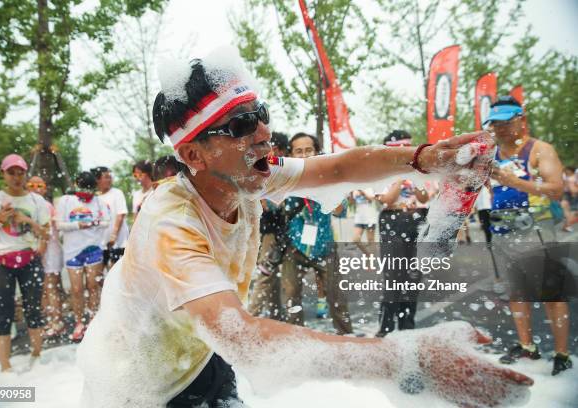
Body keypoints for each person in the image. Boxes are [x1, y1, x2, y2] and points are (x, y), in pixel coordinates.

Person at [77, 51, 532, 407]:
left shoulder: (245, 173)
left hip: (201, 356)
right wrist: (406, 360)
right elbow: (244, 337)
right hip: (143, 392)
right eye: (239, 125)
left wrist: (423, 159)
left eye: (260, 114)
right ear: (194, 157)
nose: (261, 134)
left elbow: (334, 169)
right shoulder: (170, 224)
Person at [485, 96, 572, 376]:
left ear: (521, 120)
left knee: (551, 294)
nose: (499, 129)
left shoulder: (539, 150)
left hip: (538, 229)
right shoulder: (492, 153)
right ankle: (527, 347)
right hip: (504, 229)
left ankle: (562, 354)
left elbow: (556, 189)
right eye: (495, 124)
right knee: (517, 291)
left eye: (505, 123)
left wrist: (516, 182)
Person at [0, 154, 50, 371]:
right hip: (0, 261)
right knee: (3, 312)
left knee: (33, 310)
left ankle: (37, 358)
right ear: (3, 174)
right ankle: (5, 369)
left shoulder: (37, 201)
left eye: (21, 172)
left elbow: (47, 234)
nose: (17, 177)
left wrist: (27, 221)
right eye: (11, 172)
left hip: (29, 259)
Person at [282, 132, 352, 331]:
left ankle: (347, 339)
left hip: (324, 246)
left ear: (316, 152)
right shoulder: (284, 179)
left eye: (308, 150)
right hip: (293, 248)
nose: (304, 156)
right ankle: (295, 344)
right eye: (298, 151)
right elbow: (269, 208)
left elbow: (341, 211)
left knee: (337, 298)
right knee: (291, 299)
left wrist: (328, 191)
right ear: (291, 155)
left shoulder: (328, 178)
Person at [376, 130, 429, 337]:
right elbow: (387, 200)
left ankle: (408, 326)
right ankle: (386, 328)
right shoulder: (379, 172)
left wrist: (414, 178)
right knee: (393, 277)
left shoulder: (417, 171)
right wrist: (400, 176)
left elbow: (423, 198)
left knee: (413, 277)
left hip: (416, 220)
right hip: (392, 221)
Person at [56, 171, 110, 342]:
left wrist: (94, 223)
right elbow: (59, 225)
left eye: (90, 189)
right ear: (76, 185)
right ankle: (79, 322)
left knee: (93, 286)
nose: (87, 193)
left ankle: (94, 320)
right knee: (77, 289)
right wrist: (78, 225)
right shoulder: (65, 201)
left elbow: (106, 221)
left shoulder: (99, 201)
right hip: (73, 252)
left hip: (93, 248)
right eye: (83, 188)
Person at [248, 131, 290, 320]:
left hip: (276, 232)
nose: (265, 150)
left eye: (269, 146)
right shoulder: (265, 170)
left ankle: (257, 317)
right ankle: (264, 315)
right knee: (266, 275)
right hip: (269, 232)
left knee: (267, 276)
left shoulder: (284, 170)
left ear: (279, 150)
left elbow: (277, 204)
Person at [26, 176, 65, 338]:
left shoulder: (46, 205)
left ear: (45, 188)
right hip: (35, 252)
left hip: (50, 252)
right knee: (42, 289)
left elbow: (47, 231)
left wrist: (41, 246)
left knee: (51, 287)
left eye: (39, 185)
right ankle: (49, 319)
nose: (36, 188)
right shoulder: (27, 205)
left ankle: (57, 321)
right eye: (32, 185)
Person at [91, 166, 129, 269]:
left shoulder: (117, 193)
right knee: (98, 275)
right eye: (106, 177)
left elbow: (120, 215)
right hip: (101, 243)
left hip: (118, 242)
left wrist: (113, 235)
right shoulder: (95, 198)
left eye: (110, 177)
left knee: (115, 273)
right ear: (97, 179)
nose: (109, 179)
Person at [560, 166, 577, 231]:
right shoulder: (564, 176)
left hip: (574, 194)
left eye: (568, 170)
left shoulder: (576, 176)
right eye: (566, 170)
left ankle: (567, 225)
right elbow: (563, 185)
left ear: (571, 170)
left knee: (573, 210)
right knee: (565, 207)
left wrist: (574, 191)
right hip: (566, 193)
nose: (566, 171)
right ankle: (567, 225)